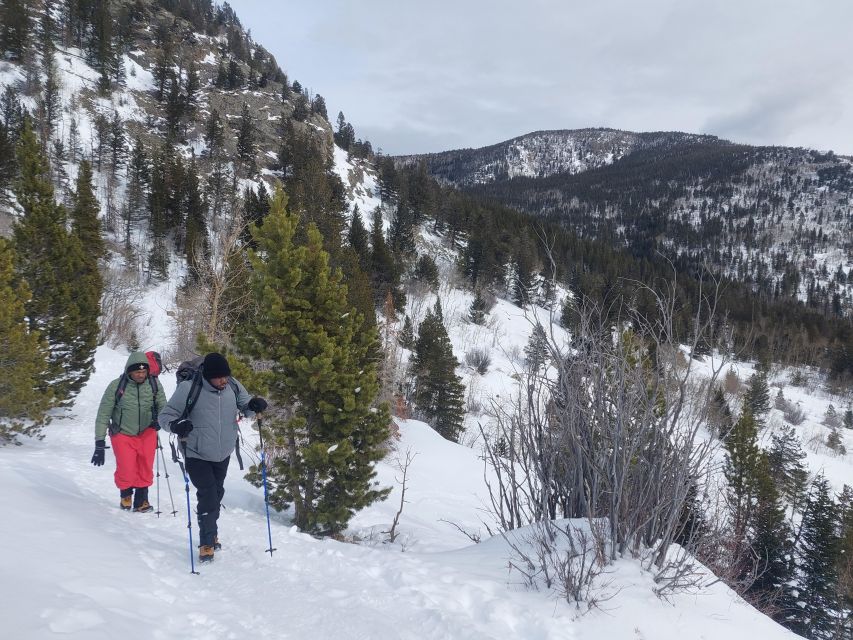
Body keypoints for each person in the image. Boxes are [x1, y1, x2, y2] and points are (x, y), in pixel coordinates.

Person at [158, 352, 267, 563]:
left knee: (216, 493)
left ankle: (211, 530)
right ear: (208, 376)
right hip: (196, 451)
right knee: (207, 494)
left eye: (225, 376)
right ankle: (206, 542)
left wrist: (255, 405)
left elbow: (246, 407)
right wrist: (175, 425)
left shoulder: (233, 386)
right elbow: (165, 416)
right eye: (219, 378)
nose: (223, 381)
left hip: (223, 451)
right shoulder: (189, 388)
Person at [92, 352, 167, 513]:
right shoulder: (116, 386)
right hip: (122, 432)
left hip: (147, 431)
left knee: (145, 465)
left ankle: (142, 500)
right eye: (137, 372)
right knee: (126, 467)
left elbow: (163, 406)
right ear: (129, 371)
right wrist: (99, 441)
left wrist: (160, 420)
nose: (141, 375)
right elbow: (103, 413)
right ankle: (126, 495)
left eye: (143, 372)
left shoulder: (154, 384)